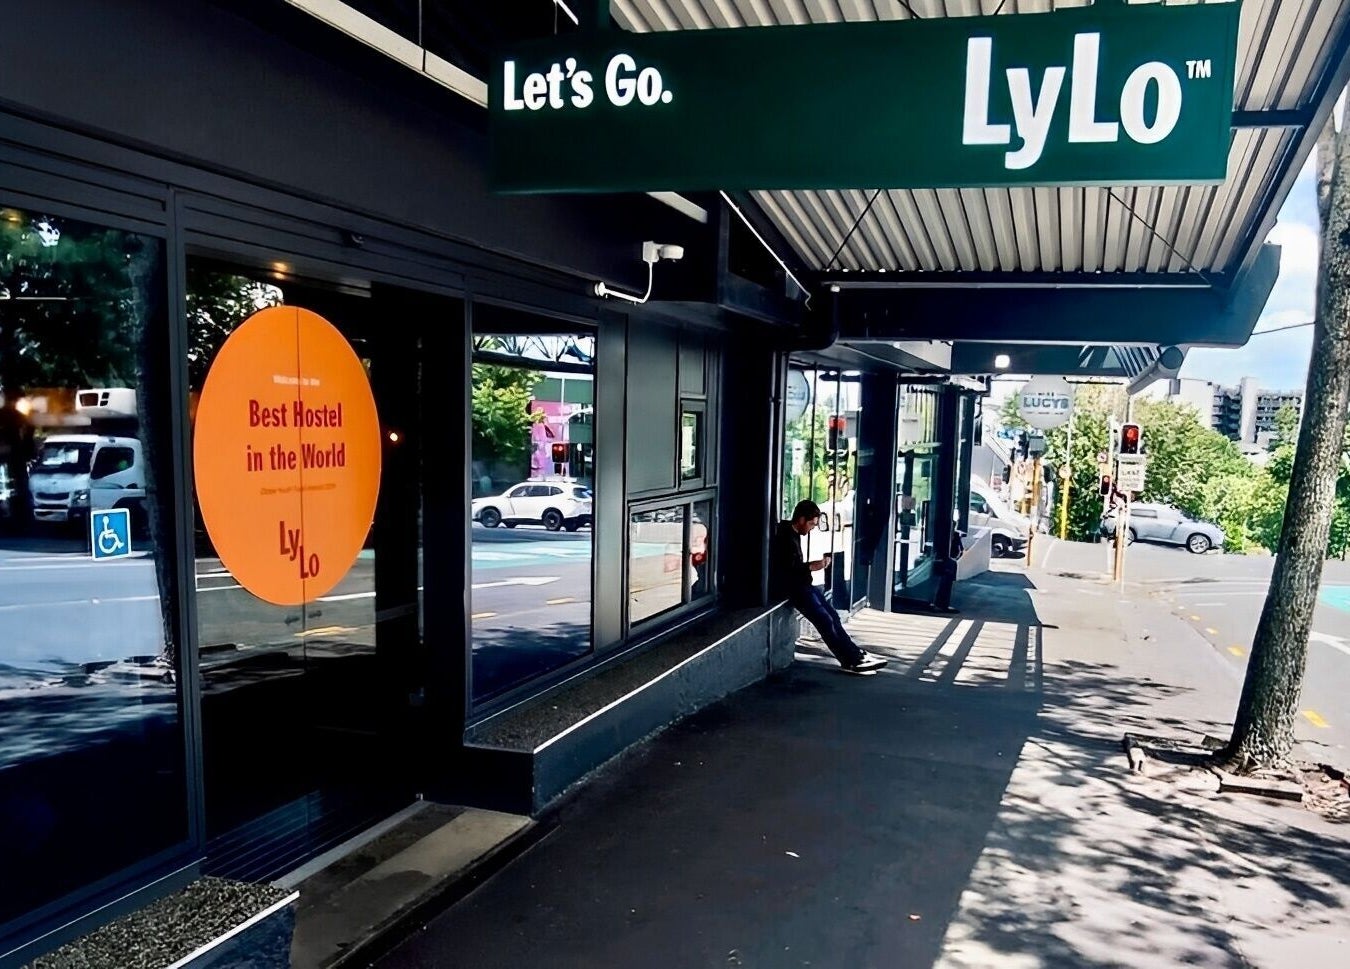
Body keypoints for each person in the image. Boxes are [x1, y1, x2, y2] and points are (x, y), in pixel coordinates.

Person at [770, 499, 888, 674]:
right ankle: (851, 660)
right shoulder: (785, 536)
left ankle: (855, 654)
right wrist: (812, 566)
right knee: (824, 620)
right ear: (801, 519)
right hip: (795, 588)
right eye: (811, 524)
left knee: (832, 615)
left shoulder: (793, 533)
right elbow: (787, 567)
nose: (812, 528)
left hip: (803, 584)